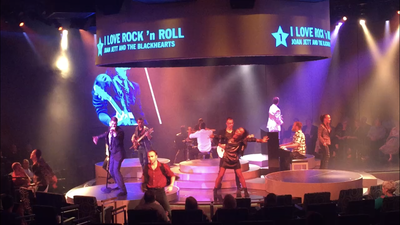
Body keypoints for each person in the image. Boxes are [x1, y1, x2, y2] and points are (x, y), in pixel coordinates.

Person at [213, 127, 269, 198]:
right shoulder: (229, 136)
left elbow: (252, 139)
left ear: (241, 135)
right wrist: (215, 138)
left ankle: (245, 191)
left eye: (240, 131)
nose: (238, 130)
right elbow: (219, 137)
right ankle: (215, 190)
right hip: (226, 159)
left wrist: (261, 140)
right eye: (238, 129)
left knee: (240, 175)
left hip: (234, 159)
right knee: (220, 175)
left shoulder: (242, 140)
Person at [93, 116, 127, 196]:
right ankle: (119, 185)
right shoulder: (109, 129)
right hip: (112, 153)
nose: (113, 126)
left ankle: (123, 190)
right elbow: (105, 135)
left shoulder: (120, 132)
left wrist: (114, 133)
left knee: (116, 171)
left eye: (114, 124)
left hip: (119, 154)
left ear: (116, 124)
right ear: (109, 123)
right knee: (111, 171)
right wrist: (97, 137)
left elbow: (118, 142)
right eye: (112, 124)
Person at [141, 150, 175, 216]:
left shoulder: (162, 166)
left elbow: (172, 175)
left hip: (160, 191)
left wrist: (171, 185)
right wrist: (142, 185)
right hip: (150, 192)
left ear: (156, 157)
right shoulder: (146, 167)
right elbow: (143, 176)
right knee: (141, 208)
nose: (150, 158)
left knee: (168, 210)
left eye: (152, 156)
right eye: (149, 157)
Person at [215, 118, 242, 196]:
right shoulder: (222, 132)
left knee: (237, 171)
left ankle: (238, 185)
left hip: (233, 154)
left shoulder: (235, 133)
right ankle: (218, 185)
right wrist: (220, 145)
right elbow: (215, 139)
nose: (231, 125)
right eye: (229, 123)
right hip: (225, 154)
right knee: (221, 171)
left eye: (232, 123)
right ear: (226, 123)